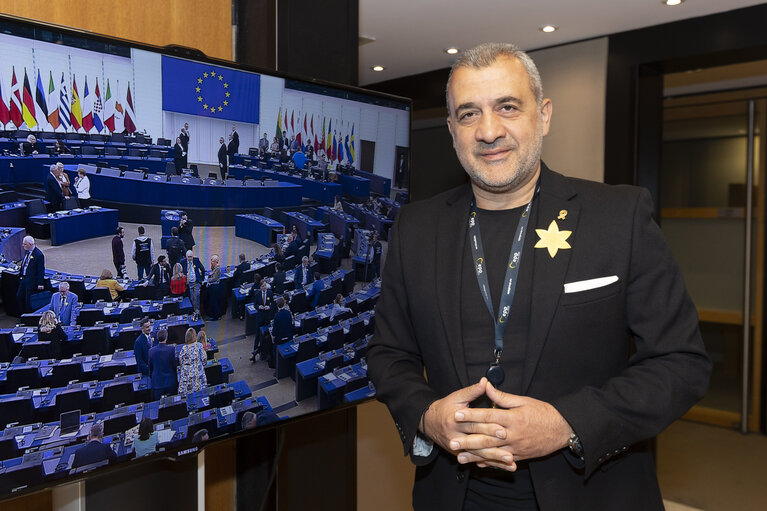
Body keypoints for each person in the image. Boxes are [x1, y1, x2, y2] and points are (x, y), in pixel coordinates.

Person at [366, 43, 712, 511]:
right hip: (454, 496)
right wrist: (428, 417)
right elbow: (389, 354)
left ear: (543, 115)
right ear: (452, 130)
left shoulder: (619, 217)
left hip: (591, 492)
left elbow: (681, 363)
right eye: (469, 114)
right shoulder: (415, 229)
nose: (489, 131)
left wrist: (567, 423)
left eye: (507, 107)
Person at [16, 236, 45, 314]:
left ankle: (27, 317)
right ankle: (22, 314)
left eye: (25, 244)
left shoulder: (39, 255)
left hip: (31, 281)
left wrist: (40, 283)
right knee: (19, 296)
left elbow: (40, 270)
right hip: (24, 279)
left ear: (30, 244)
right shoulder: (27, 251)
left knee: (28, 301)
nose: (23, 245)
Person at [178, 327, 208, 397]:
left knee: (188, 398)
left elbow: (181, 363)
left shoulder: (183, 348)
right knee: (200, 397)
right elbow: (204, 361)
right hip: (198, 377)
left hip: (187, 377)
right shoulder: (199, 346)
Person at [148, 328, 177, 400]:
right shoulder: (171, 349)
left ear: (157, 338)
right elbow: (174, 366)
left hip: (157, 384)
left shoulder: (151, 351)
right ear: (166, 338)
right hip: (170, 383)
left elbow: (150, 368)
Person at [250, 279, 274, 362]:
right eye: (263, 286)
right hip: (260, 316)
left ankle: (265, 353)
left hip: (267, 316)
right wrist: (259, 307)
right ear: (260, 287)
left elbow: (273, 304)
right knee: (258, 334)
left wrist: (269, 307)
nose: (265, 287)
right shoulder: (257, 294)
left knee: (266, 335)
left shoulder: (270, 293)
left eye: (265, 285)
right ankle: (254, 353)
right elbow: (255, 304)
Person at [181, 250, 205, 317]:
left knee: (197, 296)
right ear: (186, 257)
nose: (189, 258)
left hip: (196, 282)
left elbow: (202, 269)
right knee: (191, 298)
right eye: (188, 257)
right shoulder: (182, 262)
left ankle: (197, 311)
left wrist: (202, 279)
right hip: (189, 283)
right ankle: (191, 312)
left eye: (191, 257)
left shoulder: (196, 260)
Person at [205, 254, 222, 321]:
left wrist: (208, 280)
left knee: (214, 302)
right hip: (213, 287)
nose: (211, 262)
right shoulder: (215, 268)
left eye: (212, 261)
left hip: (215, 287)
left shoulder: (217, 269)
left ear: (215, 261)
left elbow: (214, 278)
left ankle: (216, 316)